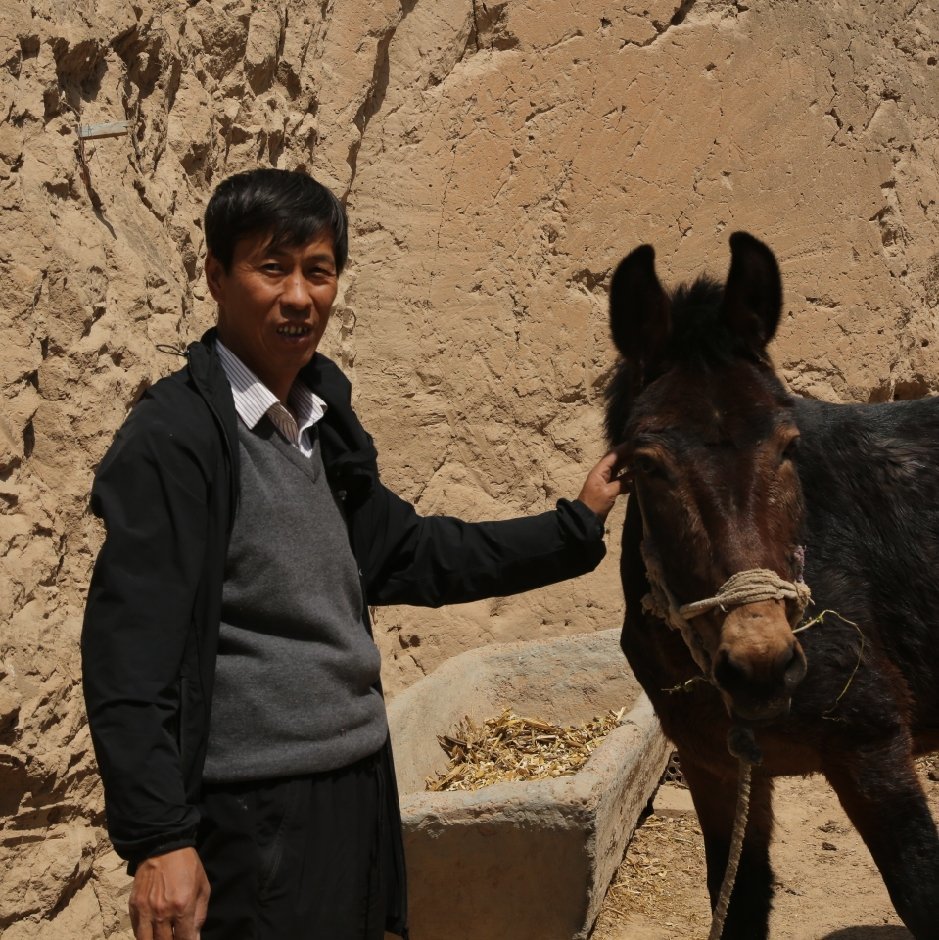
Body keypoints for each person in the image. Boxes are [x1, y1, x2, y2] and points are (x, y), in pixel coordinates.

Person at [81, 167, 628, 940]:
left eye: (318, 271)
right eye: (272, 268)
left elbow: (407, 554)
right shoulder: (174, 441)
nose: (299, 297)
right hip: (255, 816)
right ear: (215, 276)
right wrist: (161, 837)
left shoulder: (318, 422)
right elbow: (126, 657)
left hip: (359, 783)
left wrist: (573, 525)